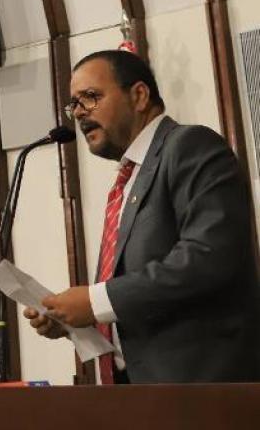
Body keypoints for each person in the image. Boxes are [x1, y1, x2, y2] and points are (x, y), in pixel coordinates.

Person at [24, 49, 260, 384]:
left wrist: (94, 301)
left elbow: (208, 258)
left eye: (91, 97)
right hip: (139, 391)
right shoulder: (128, 178)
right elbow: (138, 295)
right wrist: (77, 321)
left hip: (199, 387)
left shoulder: (190, 146)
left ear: (139, 95)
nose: (78, 113)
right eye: (74, 103)